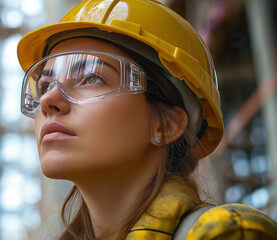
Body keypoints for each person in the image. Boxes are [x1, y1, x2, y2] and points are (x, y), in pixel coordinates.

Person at [17, 0, 277, 239]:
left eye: (91, 77)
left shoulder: (227, 234)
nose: (49, 101)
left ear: (166, 124)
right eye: (45, 85)